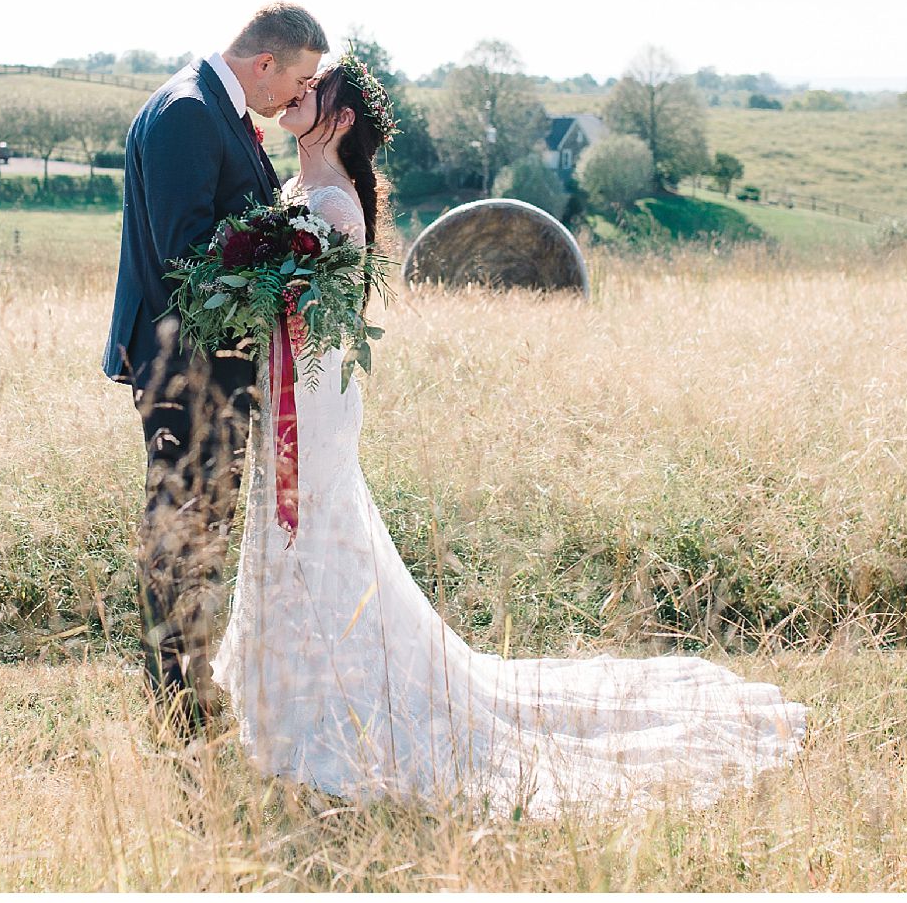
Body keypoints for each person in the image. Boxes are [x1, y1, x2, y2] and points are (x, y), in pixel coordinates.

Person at [209, 54, 809, 818]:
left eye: (313, 89)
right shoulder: (296, 192)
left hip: (316, 401)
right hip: (285, 389)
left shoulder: (333, 206)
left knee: (315, 530)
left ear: (342, 118)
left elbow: (317, 319)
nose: (297, 93)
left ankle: (325, 701)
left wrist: (262, 284)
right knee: (281, 527)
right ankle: (281, 691)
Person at [103, 2, 328, 736]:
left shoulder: (215, 111)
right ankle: (176, 702)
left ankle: (188, 685)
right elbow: (188, 254)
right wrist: (288, 262)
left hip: (211, 361)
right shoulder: (189, 113)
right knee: (182, 527)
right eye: (299, 80)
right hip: (186, 363)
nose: (299, 95)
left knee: (203, 525)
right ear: (265, 63)